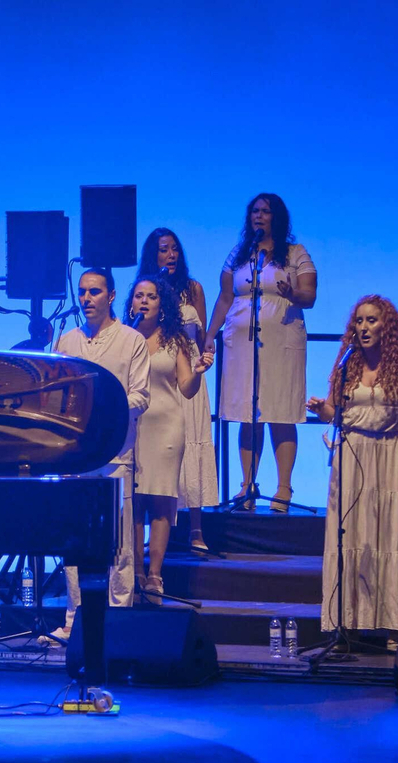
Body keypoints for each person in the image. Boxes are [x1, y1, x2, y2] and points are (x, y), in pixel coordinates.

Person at [305, 296, 398, 644]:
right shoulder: (346, 366)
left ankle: (395, 625)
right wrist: (323, 411)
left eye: (372, 320)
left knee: (392, 536)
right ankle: (350, 621)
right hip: (352, 454)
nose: (363, 327)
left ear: (386, 326)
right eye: (359, 321)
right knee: (354, 536)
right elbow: (338, 415)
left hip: (393, 455)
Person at [49, 268, 149, 643]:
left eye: (95, 291)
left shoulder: (132, 340)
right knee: (74, 542)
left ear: (110, 296)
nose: (87, 298)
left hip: (116, 455)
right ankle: (75, 621)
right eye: (83, 292)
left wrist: (103, 411)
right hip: (76, 458)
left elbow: (141, 395)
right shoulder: (67, 341)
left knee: (119, 544)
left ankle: (118, 621)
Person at [206, 193, 317, 513]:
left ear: (277, 217)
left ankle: (283, 488)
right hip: (241, 345)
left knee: (280, 411)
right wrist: (211, 335)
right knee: (246, 412)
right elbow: (225, 298)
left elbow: (309, 295)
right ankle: (247, 485)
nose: (259, 216)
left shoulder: (295, 253)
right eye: (254, 211)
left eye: (266, 212)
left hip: (281, 341)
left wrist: (292, 292)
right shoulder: (240, 254)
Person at [127, 277, 211, 596]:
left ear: (162, 305)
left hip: (166, 427)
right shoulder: (123, 338)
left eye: (151, 296)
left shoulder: (175, 340)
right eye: (139, 296)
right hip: (133, 426)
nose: (144, 301)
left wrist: (200, 372)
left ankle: (155, 575)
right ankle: (134, 573)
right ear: (131, 303)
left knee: (161, 500)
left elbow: (186, 388)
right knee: (133, 502)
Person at [138, 227, 218, 550]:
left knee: (193, 442)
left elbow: (202, 335)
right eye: (163, 250)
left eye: (175, 249)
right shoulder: (145, 290)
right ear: (152, 255)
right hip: (157, 375)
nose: (171, 255)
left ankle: (195, 527)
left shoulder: (193, 289)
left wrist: (204, 360)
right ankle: (149, 531)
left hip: (189, 367)